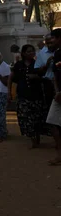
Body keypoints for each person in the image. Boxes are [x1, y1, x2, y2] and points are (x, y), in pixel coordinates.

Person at [8, 44, 48, 148]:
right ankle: (33, 140)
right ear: (24, 53)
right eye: (28, 51)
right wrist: (9, 93)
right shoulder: (18, 65)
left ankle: (37, 138)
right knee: (26, 119)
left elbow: (45, 77)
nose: (31, 53)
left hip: (36, 95)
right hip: (23, 96)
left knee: (37, 118)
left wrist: (36, 77)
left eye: (32, 51)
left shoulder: (38, 64)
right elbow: (11, 78)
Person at [46, 28, 61, 166]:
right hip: (59, 95)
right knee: (52, 122)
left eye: (54, 38)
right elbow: (56, 75)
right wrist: (57, 91)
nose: (52, 41)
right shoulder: (57, 54)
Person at [35, 33, 55, 111]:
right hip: (48, 83)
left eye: (51, 42)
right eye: (48, 43)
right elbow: (37, 70)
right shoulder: (41, 53)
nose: (50, 45)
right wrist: (46, 65)